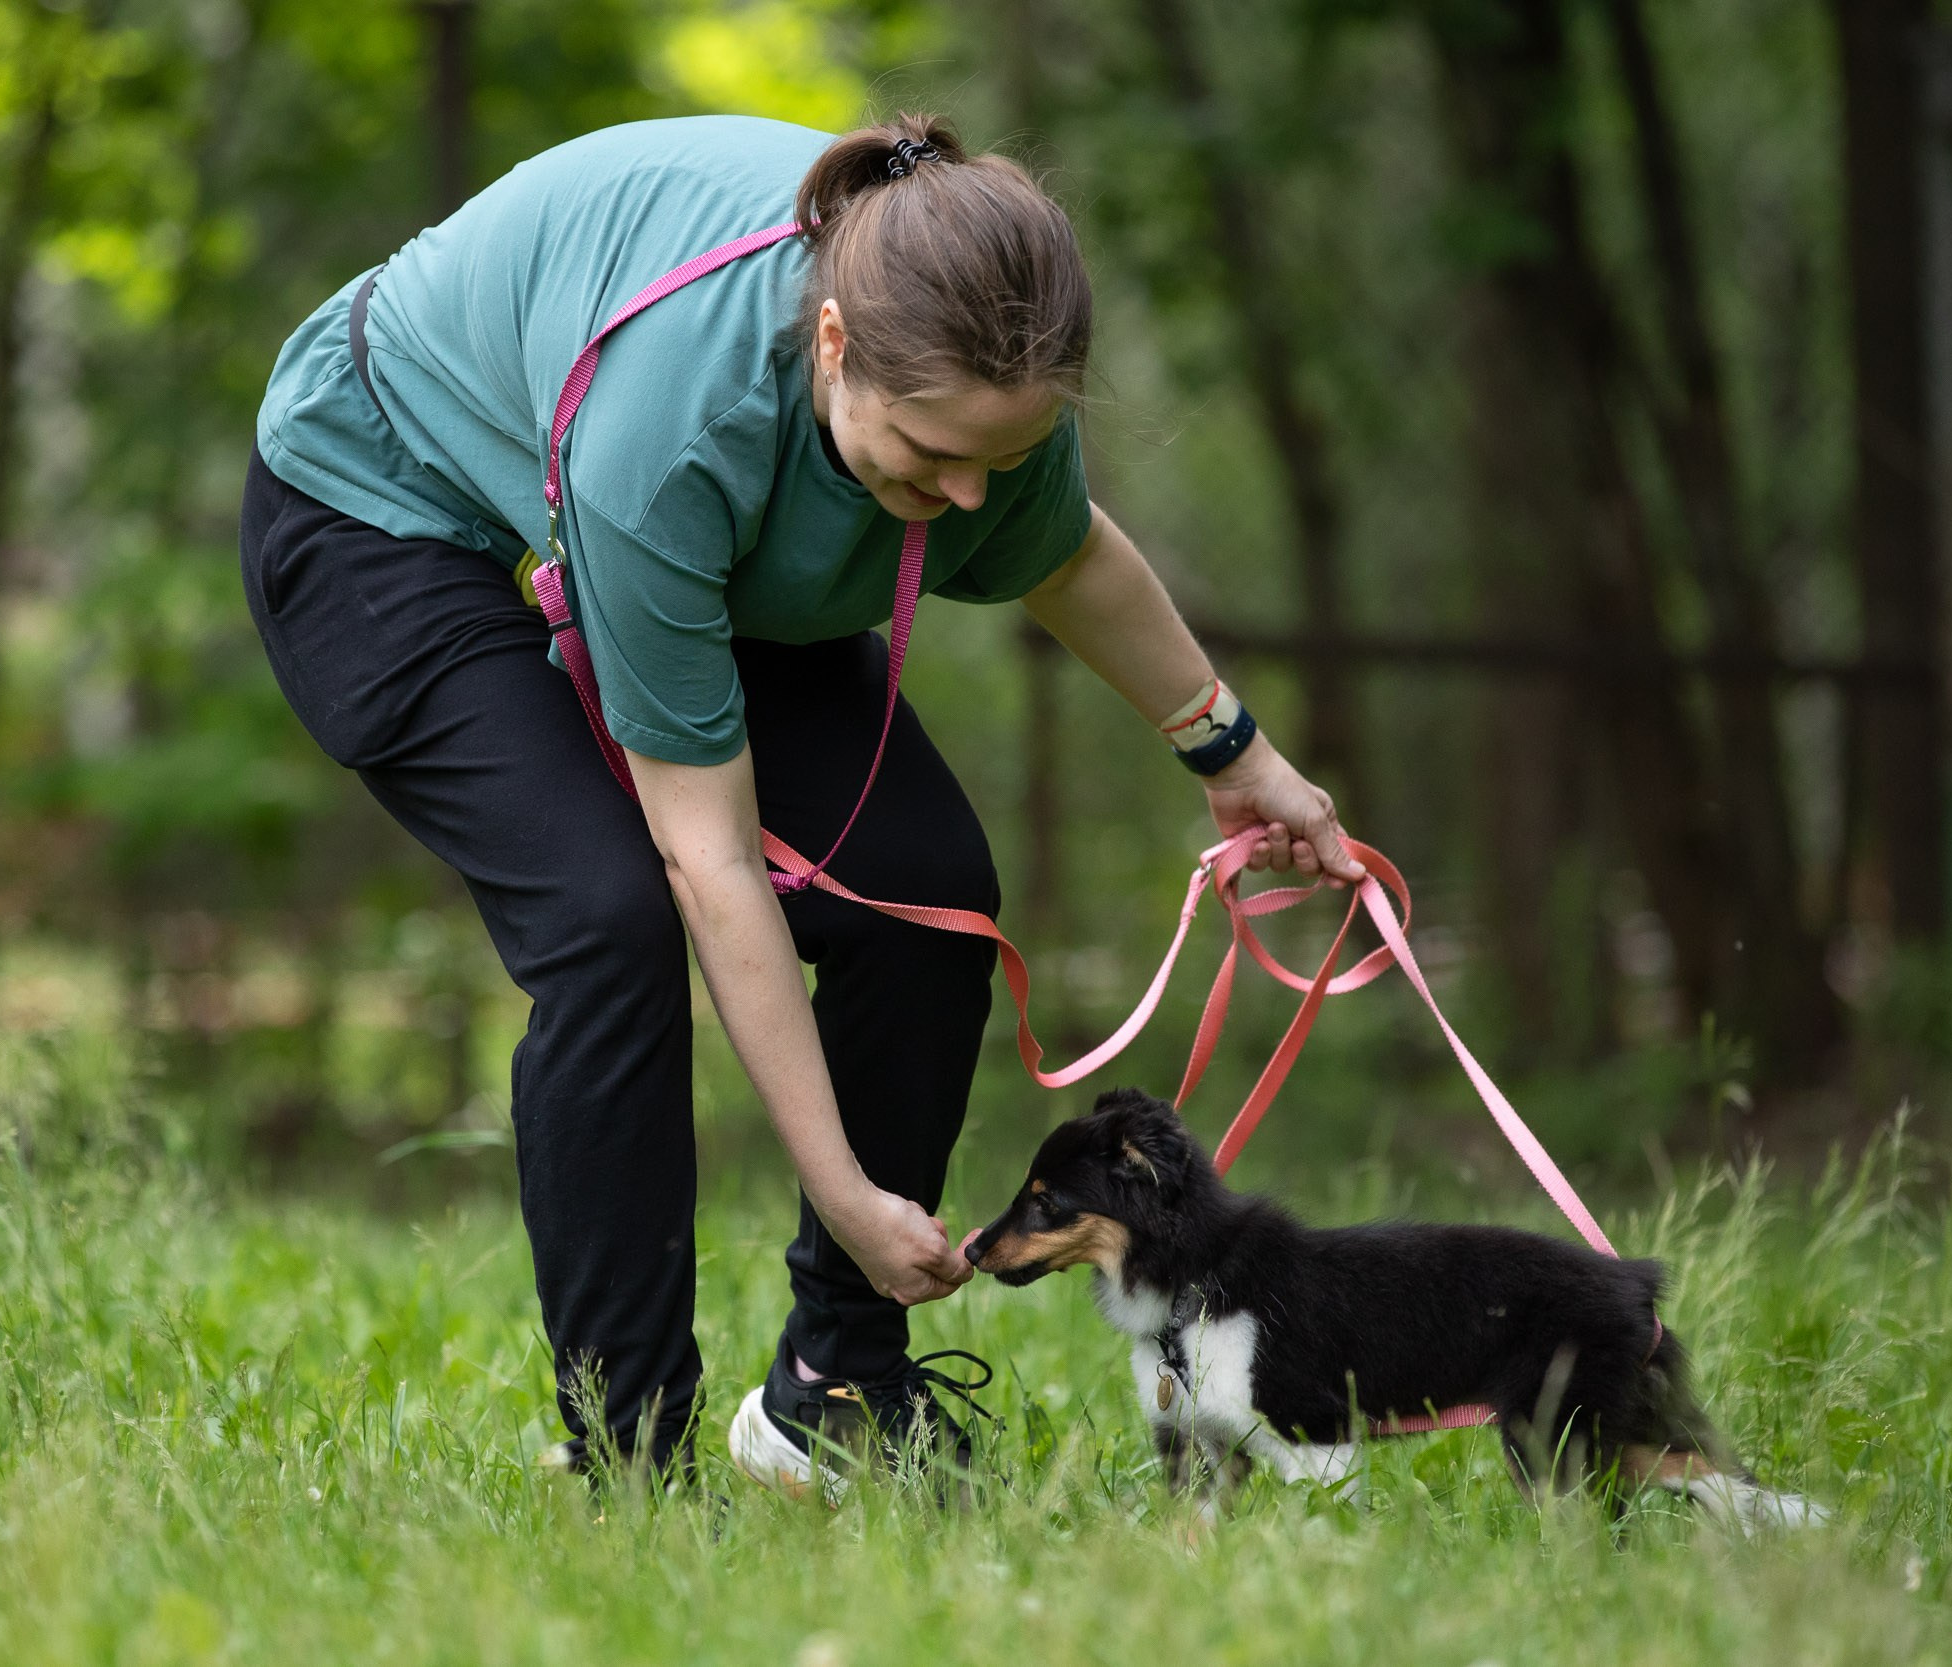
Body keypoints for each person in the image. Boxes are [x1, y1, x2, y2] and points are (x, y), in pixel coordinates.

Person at [240, 109, 1363, 1492]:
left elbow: (1065, 560)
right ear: (832, 346)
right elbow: (709, 860)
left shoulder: (979, 368)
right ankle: (632, 1462)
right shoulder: (679, 430)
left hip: (682, 524)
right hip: (389, 512)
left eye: (992, 463)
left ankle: (837, 1393)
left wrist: (1237, 757)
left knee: (932, 898)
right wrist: (841, 1183)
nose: (960, 496)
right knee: (610, 921)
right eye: (926, 453)